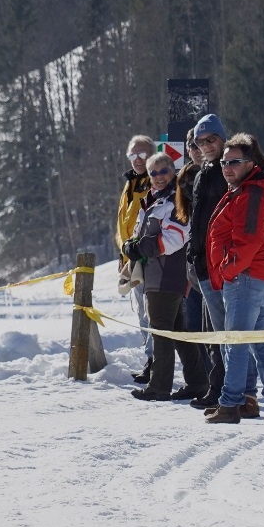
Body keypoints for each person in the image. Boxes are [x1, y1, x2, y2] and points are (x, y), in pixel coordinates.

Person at [203, 135, 264, 424]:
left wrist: (227, 271)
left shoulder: (252, 194)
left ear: (251, 163)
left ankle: (230, 405)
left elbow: (247, 242)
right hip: (256, 278)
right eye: (224, 162)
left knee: (236, 344)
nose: (227, 167)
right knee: (259, 345)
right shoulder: (249, 190)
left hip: (246, 279)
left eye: (234, 162)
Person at [185, 114, 258, 414]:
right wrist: (192, 255)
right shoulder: (201, 173)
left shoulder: (230, 171)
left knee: (234, 335)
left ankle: (246, 394)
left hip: (226, 267)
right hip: (203, 266)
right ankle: (232, 393)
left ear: (222, 139)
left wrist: (229, 261)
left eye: (211, 139)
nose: (205, 146)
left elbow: (239, 219)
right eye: (199, 142)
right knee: (222, 337)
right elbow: (197, 222)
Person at [121, 152, 208, 401]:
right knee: (179, 332)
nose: (158, 177)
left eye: (163, 171)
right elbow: (140, 232)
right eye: (153, 173)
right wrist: (132, 244)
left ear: (173, 172)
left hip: (167, 274)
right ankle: (198, 382)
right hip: (157, 274)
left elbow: (173, 239)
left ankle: (159, 386)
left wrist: (137, 247)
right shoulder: (154, 200)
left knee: (160, 331)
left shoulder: (176, 199)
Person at [116, 134, 155, 383]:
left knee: (153, 313)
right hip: (131, 258)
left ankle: (157, 363)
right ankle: (151, 360)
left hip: (150, 258)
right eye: (133, 154)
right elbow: (122, 223)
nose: (137, 159)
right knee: (142, 312)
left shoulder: (156, 180)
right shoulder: (130, 183)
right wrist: (122, 255)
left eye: (142, 154)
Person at [174, 128, 211, 383]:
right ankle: (206, 379)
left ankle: (221, 381)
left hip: (216, 262)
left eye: (202, 145)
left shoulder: (222, 172)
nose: (197, 150)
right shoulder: (185, 178)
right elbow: (183, 219)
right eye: (193, 146)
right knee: (194, 324)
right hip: (193, 262)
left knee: (215, 326)